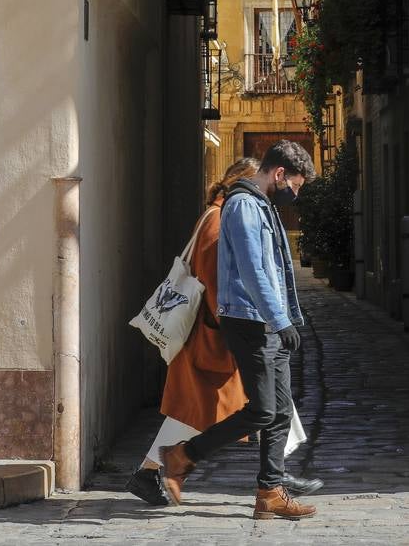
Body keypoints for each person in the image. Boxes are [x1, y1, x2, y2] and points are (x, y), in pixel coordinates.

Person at [125, 157, 321, 506]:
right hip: (218, 336)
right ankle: (156, 468)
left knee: (236, 407)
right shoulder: (221, 219)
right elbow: (220, 282)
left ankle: (273, 476)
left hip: (218, 333)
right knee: (215, 410)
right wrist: (242, 330)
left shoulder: (216, 214)